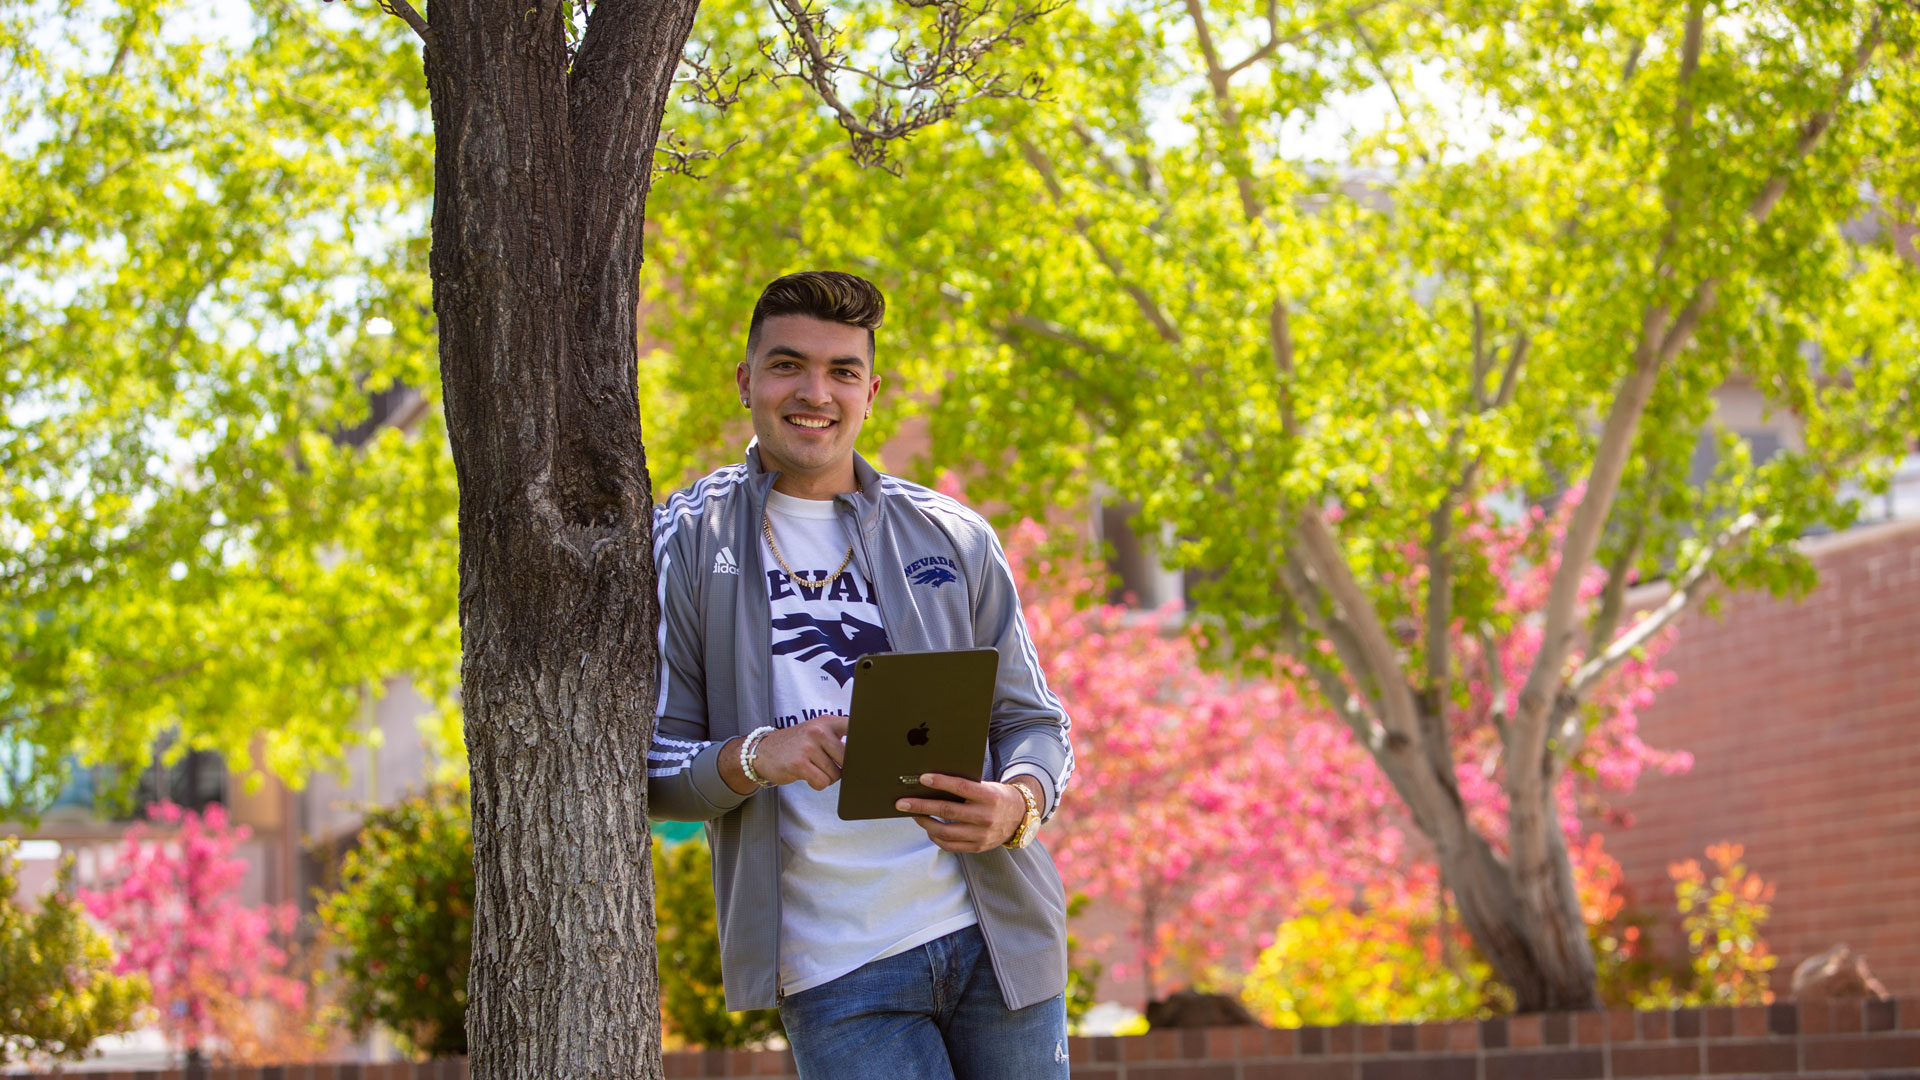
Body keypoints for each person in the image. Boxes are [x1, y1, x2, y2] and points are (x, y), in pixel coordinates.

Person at [647, 270, 1075, 1079]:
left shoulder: (952, 535)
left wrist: (1016, 804)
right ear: (746, 381)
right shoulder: (686, 539)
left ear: (870, 391)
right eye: (787, 366)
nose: (816, 392)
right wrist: (752, 757)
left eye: (842, 370)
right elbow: (647, 769)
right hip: (836, 970)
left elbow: (1035, 722)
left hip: (999, 941)